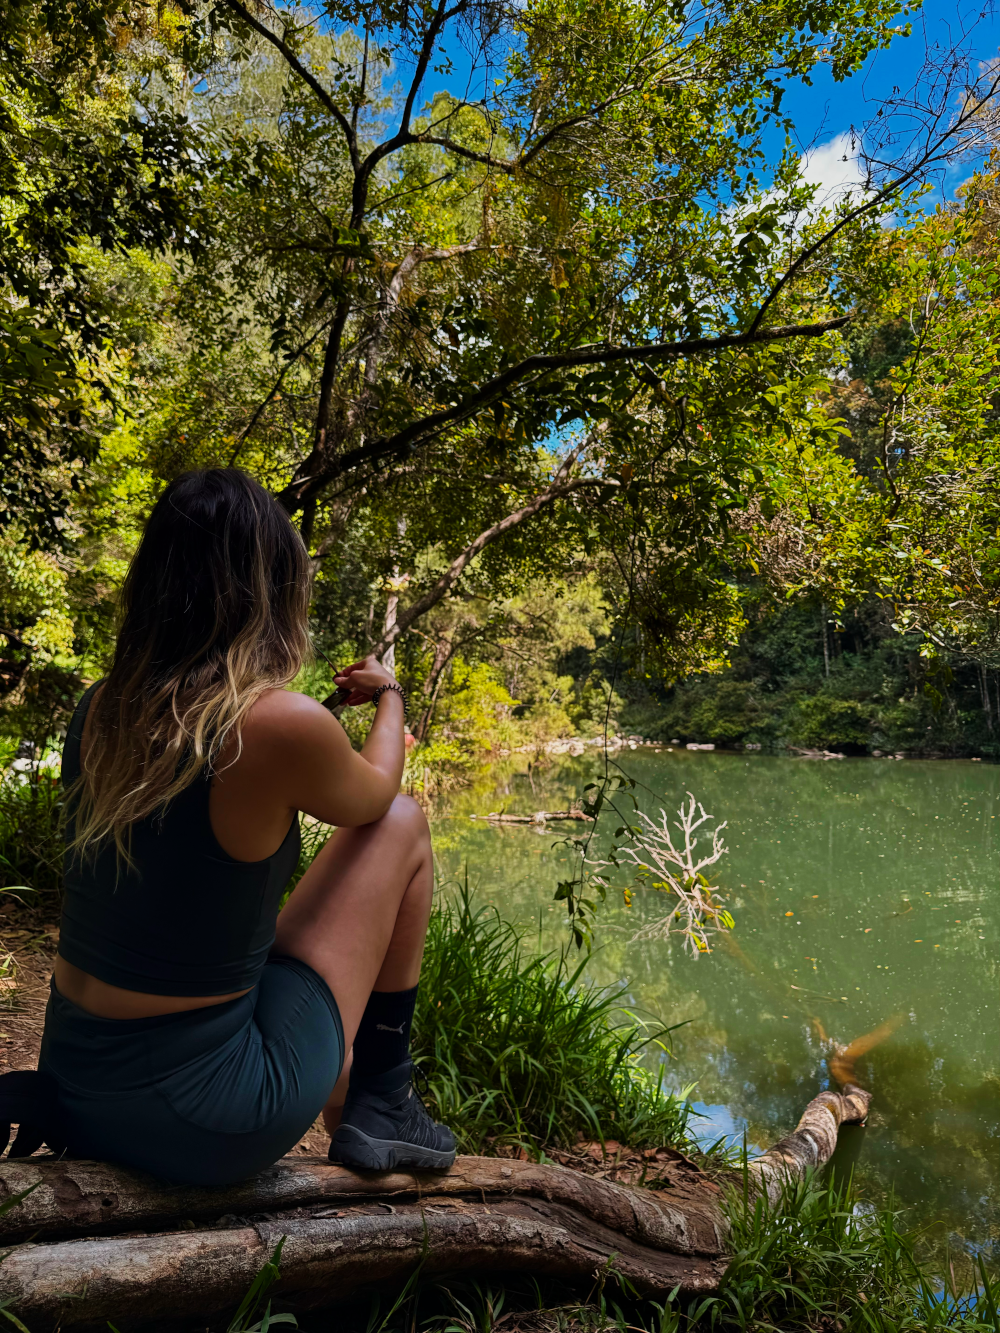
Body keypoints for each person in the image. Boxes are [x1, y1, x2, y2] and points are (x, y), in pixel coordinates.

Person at [35, 467, 455, 1185]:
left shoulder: (99, 706)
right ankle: (383, 1101)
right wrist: (390, 697)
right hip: (202, 1117)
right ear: (268, 593)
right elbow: (379, 793)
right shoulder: (273, 723)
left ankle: (354, 1087)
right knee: (405, 825)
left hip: (75, 1084)